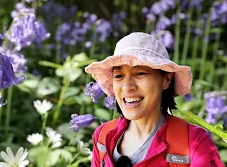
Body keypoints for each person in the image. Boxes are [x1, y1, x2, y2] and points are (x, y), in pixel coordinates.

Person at [85, 32, 224, 167]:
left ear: (166, 80)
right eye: (119, 76)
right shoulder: (103, 137)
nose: (127, 87)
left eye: (139, 73)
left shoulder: (194, 142)